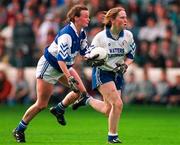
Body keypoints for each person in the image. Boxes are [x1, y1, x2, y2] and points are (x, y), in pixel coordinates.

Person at [13, 4, 90, 143]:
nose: (88, 19)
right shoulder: (67, 34)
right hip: (50, 67)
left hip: (64, 66)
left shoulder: (82, 32)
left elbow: (86, 53)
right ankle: (19, 129)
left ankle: (59, 109)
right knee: (41, 104)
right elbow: (61, 60)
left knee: (81, 92)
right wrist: (69, 77)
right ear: (75, 18)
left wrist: (99, 58)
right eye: (85, 16)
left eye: (88, 16)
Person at [72, 7, 136, 143]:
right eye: (122, 17)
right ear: (112, 20)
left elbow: (131, 56)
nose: (125, 20)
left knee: (109, 110)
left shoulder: (128, 35)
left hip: (117, 74)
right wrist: (92, 58)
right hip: (102, 72)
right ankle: (112, 137)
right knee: (118, 104)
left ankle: (86, 100)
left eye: (126, 17)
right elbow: (88, 55)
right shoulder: (100, 37)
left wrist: (125, 65)